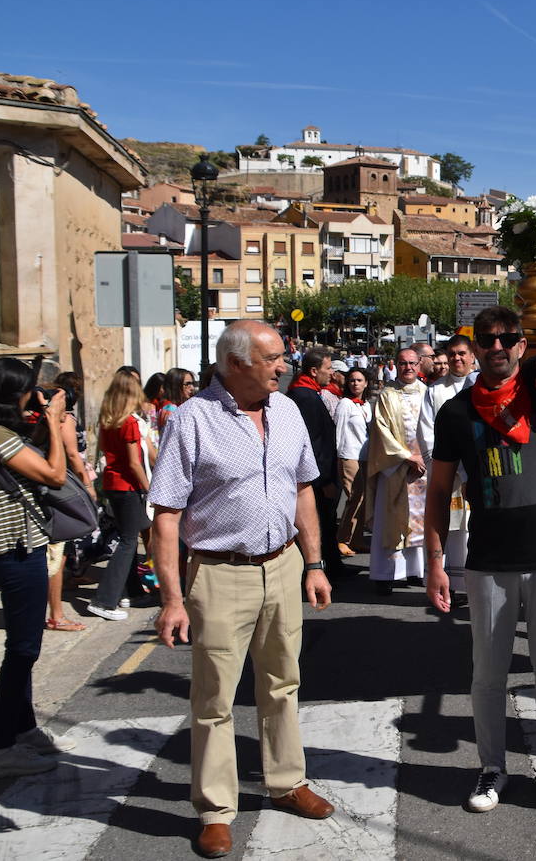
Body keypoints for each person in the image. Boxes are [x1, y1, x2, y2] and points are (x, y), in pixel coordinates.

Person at [150, 319, 335, 859]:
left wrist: (315, 563)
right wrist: (172, 599)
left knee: (283, 682)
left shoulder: (288, 411)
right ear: (236, 364)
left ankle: (286, 782)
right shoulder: (193, 420)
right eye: (274, 357)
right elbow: (166, 516)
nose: (286, 365)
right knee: (214, 698)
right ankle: (215, 809)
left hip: (282, 564)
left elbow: (302, 489)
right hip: (218, 572)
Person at [425, 306, 536, 814]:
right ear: (475, 347)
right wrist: (435, 561)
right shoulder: (456, 413)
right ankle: (492, 768)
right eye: (487, 339)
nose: (497, 347)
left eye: (507, 338)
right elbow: (439, 491)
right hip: (488, 561)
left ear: (523, 345)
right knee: (488, 673)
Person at [0, 357, 75, 777]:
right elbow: (54, 475)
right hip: (17, 550)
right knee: (22, 651)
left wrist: (45, 422)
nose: (35, 394)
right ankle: (2, 748)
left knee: (23, 649)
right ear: (16, 393)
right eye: (30, 388)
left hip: (10, 548)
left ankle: (24, 731)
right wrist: (55, 424)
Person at [89, 369, 152, 622]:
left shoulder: (108, 420)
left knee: (127, 539)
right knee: (127, 543)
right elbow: (134, 463)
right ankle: (104, 600)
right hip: (127, 486)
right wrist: (148, 487)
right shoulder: (129, 423)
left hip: (113, 484)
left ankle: (132, 593)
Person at [366, 348, 429, 594]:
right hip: (395, 468)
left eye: (412, 363)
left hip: (423, 470)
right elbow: (381, 432)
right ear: (396, 365)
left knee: (421, 520)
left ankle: (415, 571)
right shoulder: (387, 395)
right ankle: (386, 574)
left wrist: (424, 459)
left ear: (420, 364)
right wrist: (406, 457)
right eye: (403, 364)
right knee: (389, 519)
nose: (408, 368)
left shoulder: (427, 393)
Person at [419, 336, 477, 585]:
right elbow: (426, 431)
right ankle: (447, 582)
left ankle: (471, 581)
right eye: (452, 354)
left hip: (474, 471)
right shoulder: (435, 391)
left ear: (473, 355)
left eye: (462, 353)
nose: (457, 358)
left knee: (470, 527)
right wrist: (446, 465)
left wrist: (468, 470)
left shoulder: (481, 386)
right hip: (446, 470)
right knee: (447, 525)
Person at [39, 375, 96, 633]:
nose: (66, 417)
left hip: (52, 497)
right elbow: (62, 465)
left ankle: (52, 613)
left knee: (56, 558)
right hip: (52, 499)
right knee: (55, 560)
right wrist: (86, 485)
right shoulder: (47, 431)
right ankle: (56, 615)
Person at [286, 348, 344, 579]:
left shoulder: (310, 393)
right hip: (318, 478)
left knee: (327, 523)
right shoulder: (305, 397)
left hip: (322, 473)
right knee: (318, 523)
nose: (331, 374)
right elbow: (311, 445)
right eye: (328, 368)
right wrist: (324, 481)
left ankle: (334, 565)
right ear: (313, 370)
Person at [335, 367, 373, 557]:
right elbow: (339, 431)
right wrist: (339, 457)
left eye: (359, 380)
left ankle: (356, 539)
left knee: (364, 500)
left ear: (366, 383)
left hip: (365, 456)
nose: (355, 383)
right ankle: (343, 539)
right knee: (354, 499)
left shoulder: (366, 405)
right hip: (349, 455)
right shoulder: (345, 404)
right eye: (352, 380)